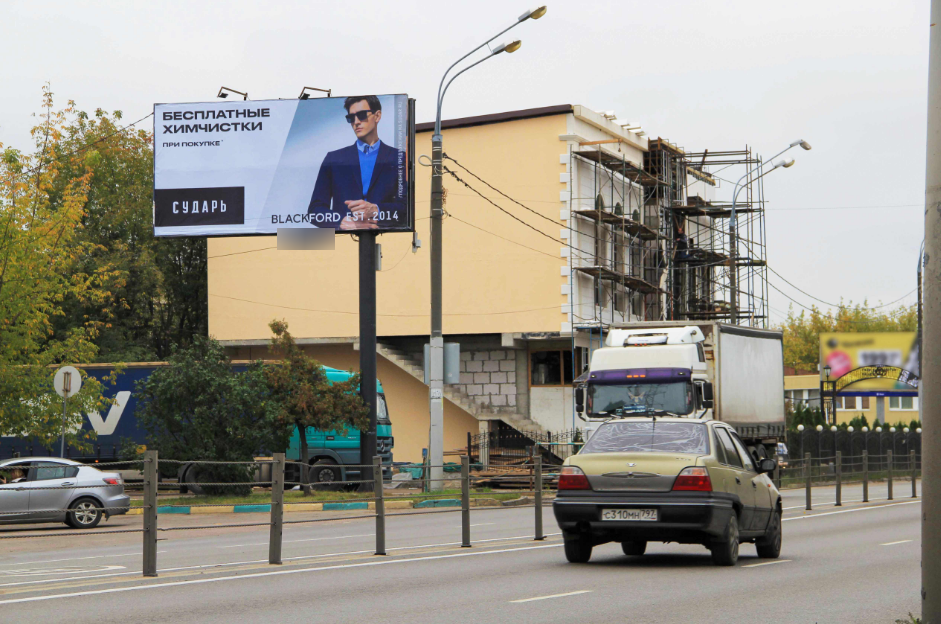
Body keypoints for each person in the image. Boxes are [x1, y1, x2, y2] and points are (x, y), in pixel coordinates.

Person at [307, 95, 407, 231]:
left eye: (361, 115)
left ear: (377, 116)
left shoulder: (399, 158)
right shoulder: (333, 159)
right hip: (343, 242)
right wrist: (341, 221)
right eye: (351, 118)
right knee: (289, 241)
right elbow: (314, 210)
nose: (356, 122)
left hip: (385, 239)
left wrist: (376, 210)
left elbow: (407, 207)